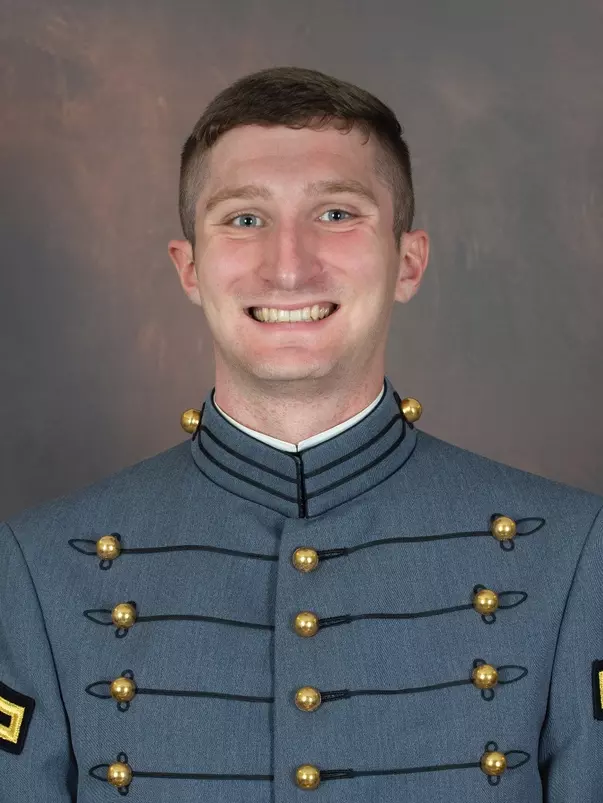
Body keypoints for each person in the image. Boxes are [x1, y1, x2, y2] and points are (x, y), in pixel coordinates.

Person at [0, 65, 601, 803]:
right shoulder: (36, 570)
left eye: (336, 214)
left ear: (407, 261)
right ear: (188, 267)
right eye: (244, 218)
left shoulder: (573, 555)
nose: (288, 266)